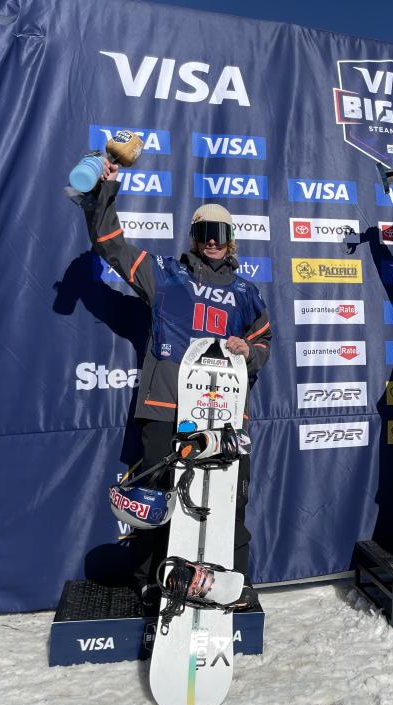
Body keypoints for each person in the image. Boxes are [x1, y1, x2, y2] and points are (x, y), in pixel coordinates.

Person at [78, 158, 271, 605]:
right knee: (158, 500)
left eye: (220, 235)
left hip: (223, 415)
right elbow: (111, 244)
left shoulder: (246, 292)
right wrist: (105, 191)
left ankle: (234, 585)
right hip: (167, 406)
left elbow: (265, 343)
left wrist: (250, 351)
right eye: (204, 233)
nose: (212, 243)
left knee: (228, 503)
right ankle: (151, 582)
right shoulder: (166, 274)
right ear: (193, 237)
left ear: (232, 241)